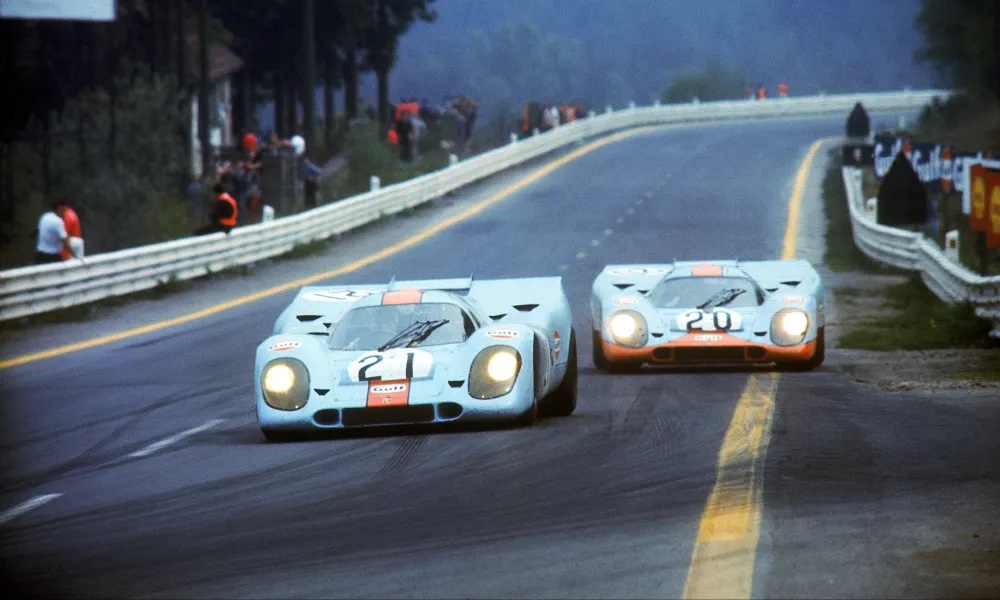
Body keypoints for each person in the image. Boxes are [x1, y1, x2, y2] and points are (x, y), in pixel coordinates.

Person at [35, 198, 82, 264]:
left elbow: (38, 231)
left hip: (39, 254)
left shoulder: (44, 216)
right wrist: (76, 256)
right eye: (64, 211)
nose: (64, 214)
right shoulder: (58, 221)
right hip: (52, 257)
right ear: (59, 209)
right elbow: (66, 244)